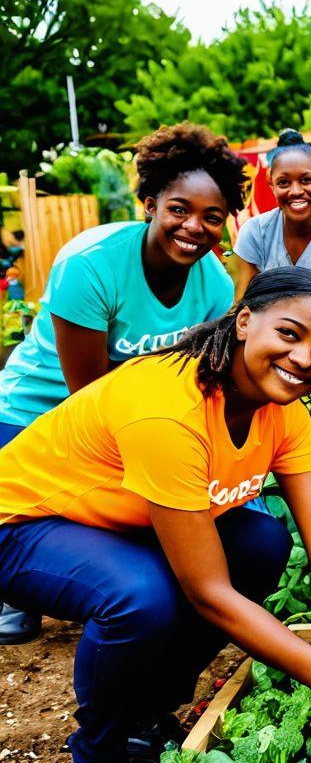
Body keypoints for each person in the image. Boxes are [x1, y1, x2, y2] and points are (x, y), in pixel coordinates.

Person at [0, 268, 311, 763]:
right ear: (245, 320)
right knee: (141, 597)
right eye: (290, 333)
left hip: (120, 521)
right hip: (26, 525)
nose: (305, 358)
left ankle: (147, 715)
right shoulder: (167, 407)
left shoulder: (282, 413)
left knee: (261, 543)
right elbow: (207, 591)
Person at [0, 124, 246, 645]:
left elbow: (198, 380)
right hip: (36, 410)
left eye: (212, 217)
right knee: (35, 509)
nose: (194, 226)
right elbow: (88, 393)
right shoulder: (91, 266)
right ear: (150, 203)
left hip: (130, 413)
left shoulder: (216, 287)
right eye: (179, 208)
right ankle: (19, 590)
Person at [231, 128, 311, 309]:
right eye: (284, 182)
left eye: (306, 180)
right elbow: (242, 305)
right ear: (272, 185)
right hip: (265, 334)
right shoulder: (255, 232)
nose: (296, 191)